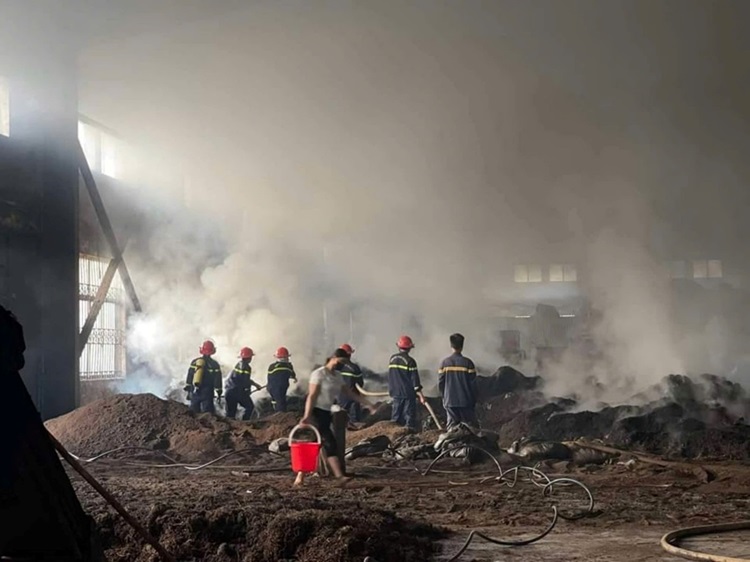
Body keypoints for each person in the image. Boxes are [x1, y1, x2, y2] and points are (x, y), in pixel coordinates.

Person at [294, 349, 375, 486]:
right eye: (341, 361)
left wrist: (368, 404)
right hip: (316, 412)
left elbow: (350, 393)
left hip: (326, 412)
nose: (342, 364)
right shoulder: (318, 374)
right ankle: (339, 476)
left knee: (315, 443)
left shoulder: (337, 376)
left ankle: (301, 476)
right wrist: (307, 416)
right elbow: (312, 396)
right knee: (329, 443)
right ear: (333, 358)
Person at [438, 333, 478, 429]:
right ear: (462, 346)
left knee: (452, 429)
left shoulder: (444, 363)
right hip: (466, 401)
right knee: (469, 428)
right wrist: (474, 400)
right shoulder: (468, 363)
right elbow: (473, 385)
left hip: (450, 401)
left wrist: (444, 398)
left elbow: (441, 383)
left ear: (451, 346)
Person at [388, 335, 425, 431]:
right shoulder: (410, 361)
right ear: (409, 348)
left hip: (395, 393)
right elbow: (415, 382)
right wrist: (421, 396)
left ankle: (394, 436)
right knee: (409, 418)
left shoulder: (392, 358)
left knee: (396, 418)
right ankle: (409, 437)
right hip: (408, 394)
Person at [224, 346, 263, 420]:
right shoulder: (247, 367)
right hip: (237, 392)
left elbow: (242, 379)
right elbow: (245, 381)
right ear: (249, 358)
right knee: (249, 407)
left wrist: (255, 384)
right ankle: (245, 423)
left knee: (230, 414)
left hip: (229, 391)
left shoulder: (238, 364)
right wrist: (247, 390)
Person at [185, 340, 223, 414]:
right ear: (213, 351)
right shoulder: (215, 364)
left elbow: (190, 376)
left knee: (194, 413)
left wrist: (189, 390)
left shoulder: (195, 362)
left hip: (195, 391)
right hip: (207, 392)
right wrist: (219, 392)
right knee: (208, 414)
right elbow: (217, 380)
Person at [336, 343, 365, 423]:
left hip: (338, 399)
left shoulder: (335, 368)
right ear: (349, 355)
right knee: (355, 423)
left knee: (339, 423)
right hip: (352, 401)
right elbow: (360, 383)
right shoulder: (354, 368)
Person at [267, 346, 297, 412]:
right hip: (280, 389)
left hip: (270, 387)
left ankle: (275, 412)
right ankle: (280, 417)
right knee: (281, 404)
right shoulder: (288, 366)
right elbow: (292, 375)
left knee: (275, 401)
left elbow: (270, 376)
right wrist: (294, 378)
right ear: (287, 357)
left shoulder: (271, 366)